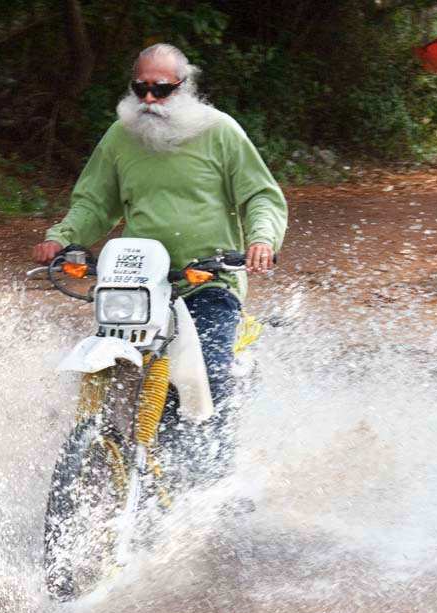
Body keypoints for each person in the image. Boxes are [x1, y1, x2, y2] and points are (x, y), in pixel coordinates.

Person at [31, 43, 287, 481]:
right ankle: (101, 454)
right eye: (141, 88)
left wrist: (261, 239)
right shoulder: (119, 137)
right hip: (140, 282)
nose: (149, 99)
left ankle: (212, 471)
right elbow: (94, 202)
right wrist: (63, 237)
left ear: (183, 87)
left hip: (209, 279)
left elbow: (260, 195)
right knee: (118, 364)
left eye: (162, 90)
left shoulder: (220, 132)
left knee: (208, 368)